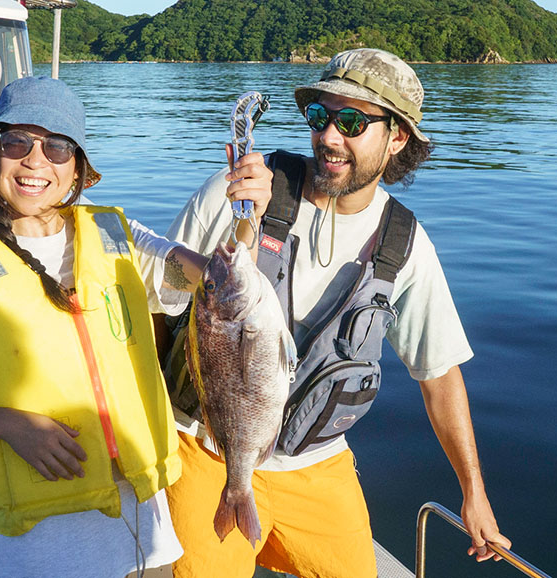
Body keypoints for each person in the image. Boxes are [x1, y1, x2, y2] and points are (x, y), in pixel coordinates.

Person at [162, 48, 512, 578]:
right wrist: (241, 231)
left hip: (315, 463)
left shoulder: (405, 246)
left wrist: (473, 493)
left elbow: (439, 375)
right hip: (208, 446)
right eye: (321, 116)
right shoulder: (239, 190)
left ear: (397, 138)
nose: (329, 135)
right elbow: (156, 299)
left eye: (351, 121)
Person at [0, 76, 211, 578]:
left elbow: (203, 278)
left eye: (58, 146)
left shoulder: (114, 233)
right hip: (46, 548)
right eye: (16, 141)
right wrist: (9, 424)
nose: (36, 160)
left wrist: (245, 211)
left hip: (147, 534)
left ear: (79, 169)